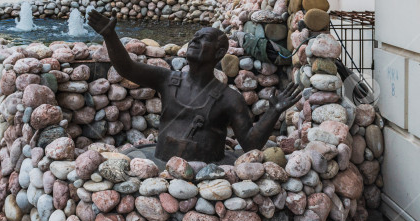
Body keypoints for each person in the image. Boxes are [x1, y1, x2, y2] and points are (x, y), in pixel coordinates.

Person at [86, 9, 302, 163]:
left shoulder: (229, 98)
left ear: (219, 53)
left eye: (203, 38)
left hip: (206, 171)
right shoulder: (168, 80)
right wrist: (110, 35)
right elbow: (127, 68)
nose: (195, 41)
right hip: (162, 163)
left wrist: (273, 111)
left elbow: (249, 144)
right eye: (194, 38)